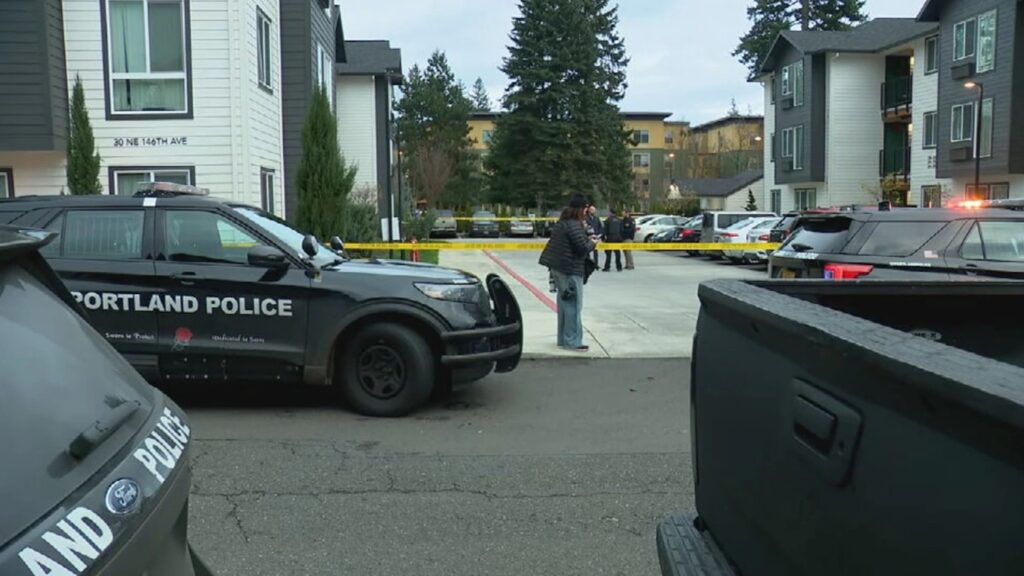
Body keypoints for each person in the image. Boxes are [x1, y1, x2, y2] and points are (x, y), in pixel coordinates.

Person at [539, 193, 596, 352]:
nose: (586, 211)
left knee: (564, 304)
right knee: (573, 305)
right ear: (580, 209)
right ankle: (572, 341)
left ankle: (563, 339)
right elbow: (582, 249)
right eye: (585, 208)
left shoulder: (563, 223)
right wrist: (593, 242)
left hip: (558, 269)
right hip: (570, 270)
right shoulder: (574, 225)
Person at [586, 205, 604, 270]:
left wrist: (599, 234)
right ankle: (587, 264)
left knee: (595, 251)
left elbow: (600, 227)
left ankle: (596, 264)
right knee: (587, 251)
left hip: (596, 237)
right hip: (588, 237)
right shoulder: (586, 218)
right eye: (592, 210)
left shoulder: (597, 218)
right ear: (589, 210)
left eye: (594, 210)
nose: (593, 211)